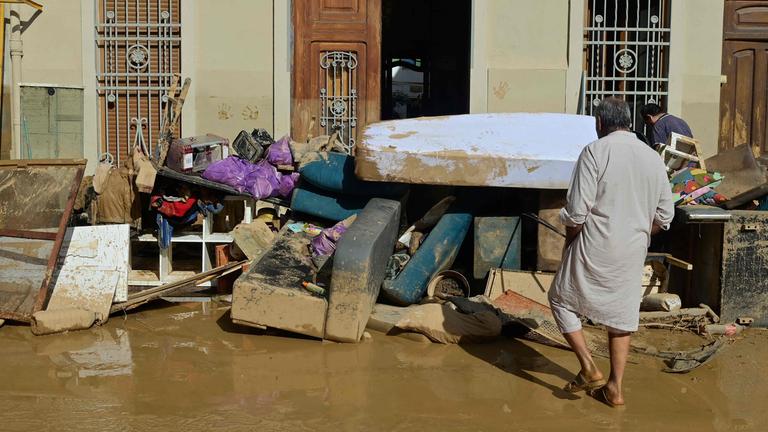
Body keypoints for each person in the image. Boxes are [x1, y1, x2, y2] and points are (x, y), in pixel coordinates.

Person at [548, 97, 674, 408]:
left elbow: (576, 213)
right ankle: (614, 388)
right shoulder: (653, 157)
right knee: (621, 316)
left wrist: (569, 239)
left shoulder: (594, 151)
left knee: (560, 299)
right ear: (629, 122)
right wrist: (639, 232)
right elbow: (665, 217)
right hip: (633, 249)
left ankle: (590, 368)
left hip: (595, 243)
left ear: (600, 124)